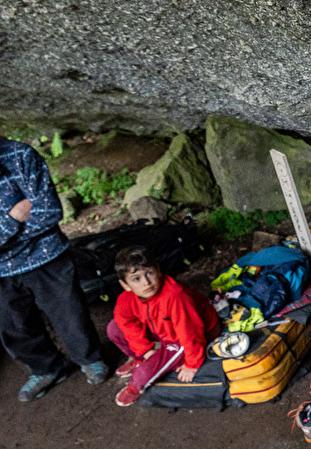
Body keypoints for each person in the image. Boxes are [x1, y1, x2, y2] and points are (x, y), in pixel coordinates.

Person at [0, 138, 110, 401]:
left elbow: (48, 211)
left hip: (46, 255)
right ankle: (46, 369)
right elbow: (31, 214)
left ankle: (89, 358)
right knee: (15, 326)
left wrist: (4, 241)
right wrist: (12, 218)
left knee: (68, 312)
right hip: (4, 269)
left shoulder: (20, 155)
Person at [107, 245, 220, 407]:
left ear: (158, 271)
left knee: (143, 375)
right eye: (136, 279)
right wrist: (145, 350)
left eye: (150, 273)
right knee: (114, 329)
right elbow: (126, 322)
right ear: (125, 285)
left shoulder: (175, 295)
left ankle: (136, 386)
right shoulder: (126, 300)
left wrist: (192, 364)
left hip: (191, 333)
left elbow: (190, 332)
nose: (146, 282)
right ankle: (141, 359)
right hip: (164, 329)